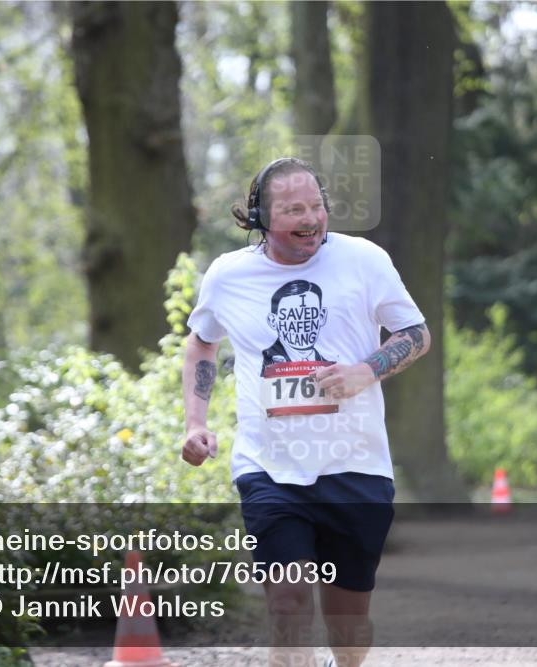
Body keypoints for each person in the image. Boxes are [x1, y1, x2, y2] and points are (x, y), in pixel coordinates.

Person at [181, 157, 430, 667]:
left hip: (356, 465)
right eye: (294, 209)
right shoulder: (230, 276)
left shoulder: (364, 260)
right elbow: (201, 344)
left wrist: (368, 369)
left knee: (348, 623)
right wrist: (196, 423)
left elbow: (416, 334)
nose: (311, 218)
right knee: (289, 607)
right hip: (269, 469)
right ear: (259, 217)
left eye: (317, 205)